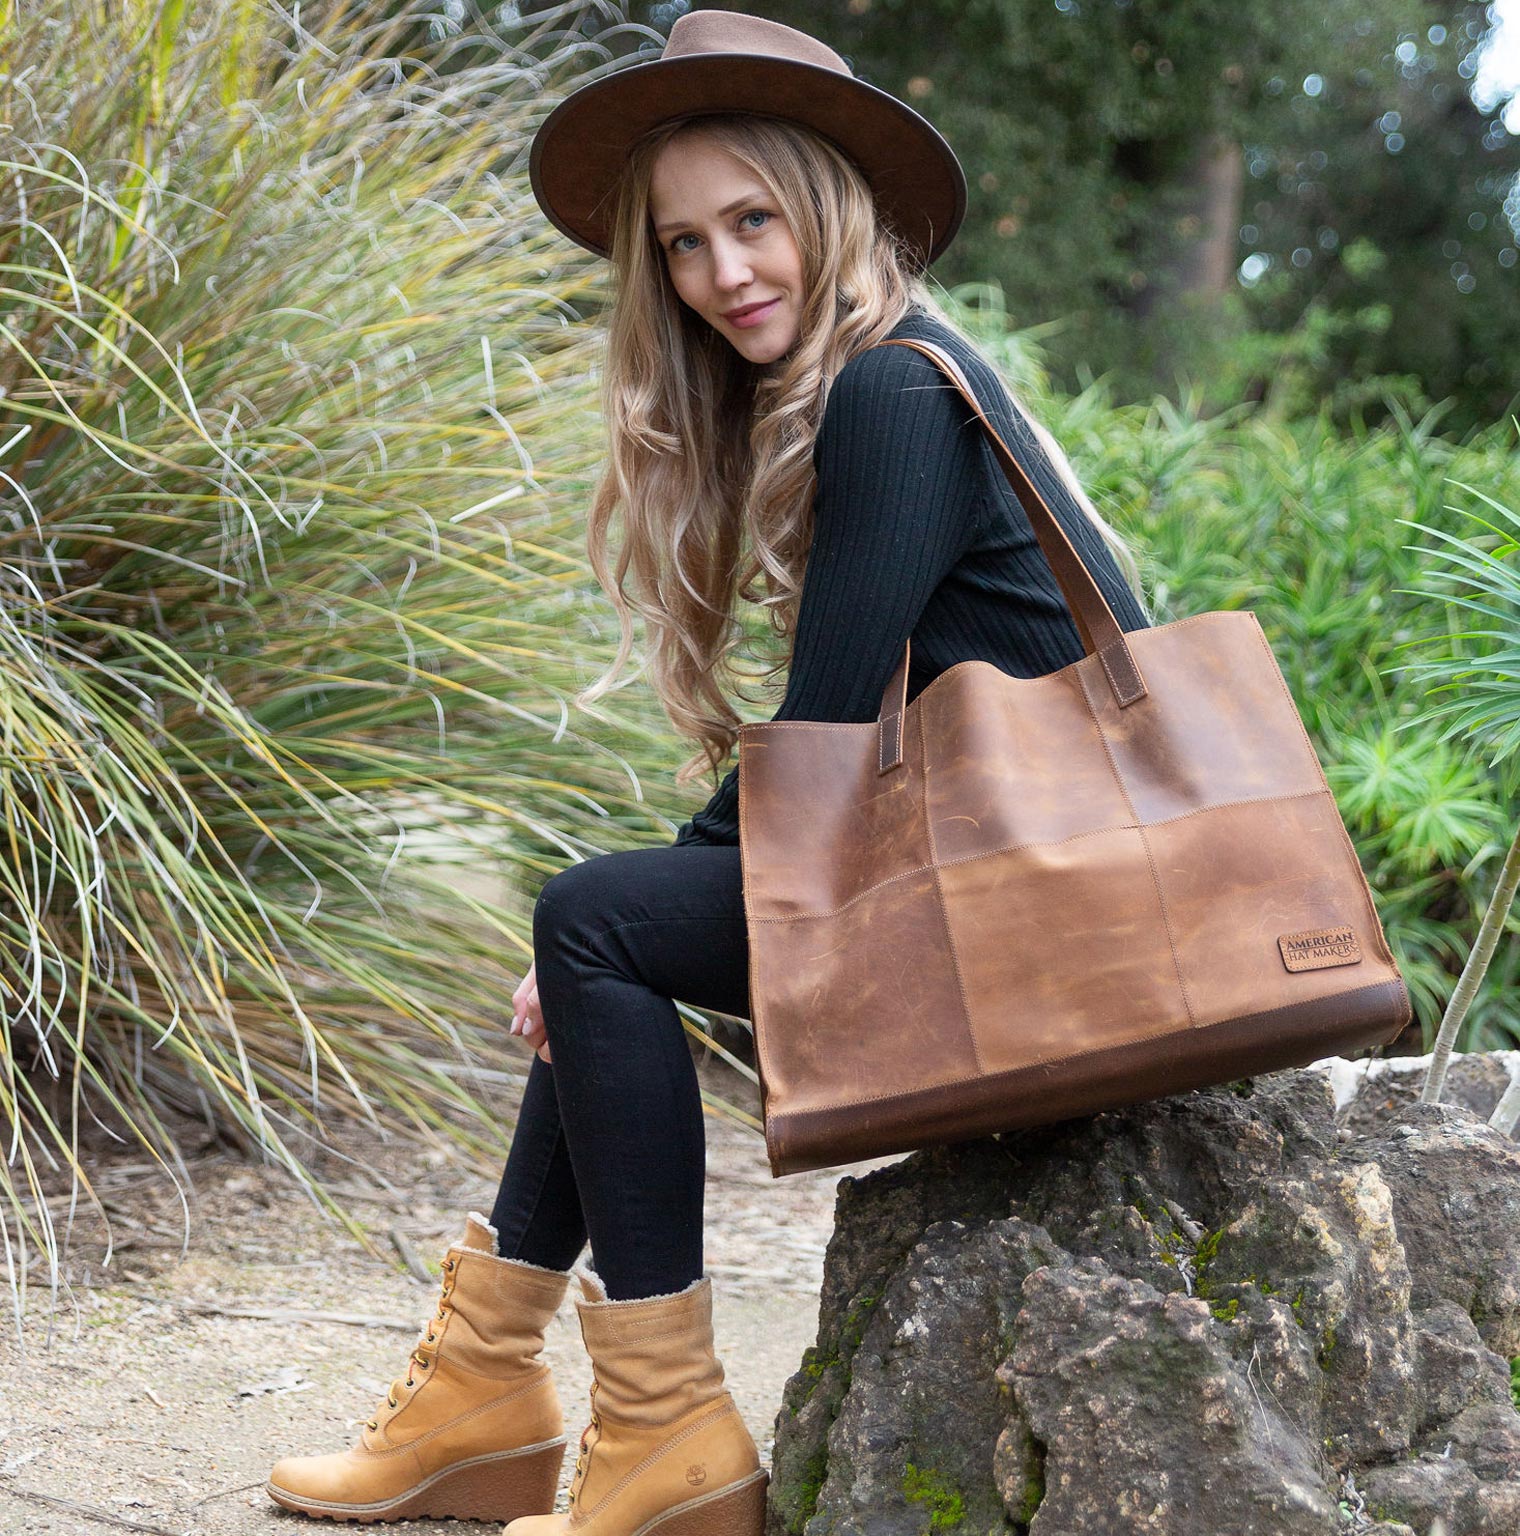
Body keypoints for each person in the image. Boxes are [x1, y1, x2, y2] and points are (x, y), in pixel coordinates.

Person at [265, 10, 1153, 1534]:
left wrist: (621, 918)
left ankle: (649, 1433)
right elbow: (821, 749)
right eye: (681, 244)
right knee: (601, 926)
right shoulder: (887, 378)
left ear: (824, 211)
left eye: (754, 222)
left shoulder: (888, 393)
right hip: (1014, 894)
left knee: (594, 922)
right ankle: (491, 1399)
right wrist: (645, 902)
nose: (722, 273)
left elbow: (813, 745)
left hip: (1056, 922)